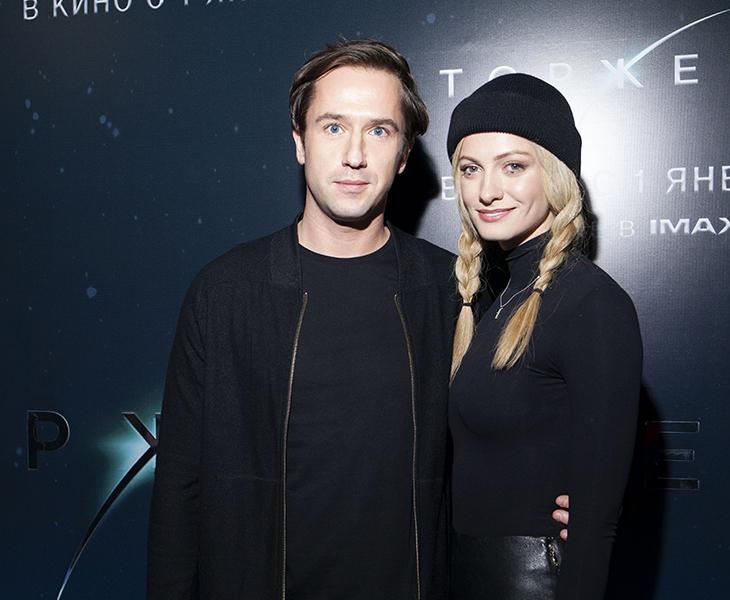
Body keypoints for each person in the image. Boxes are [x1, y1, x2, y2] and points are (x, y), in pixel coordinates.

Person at [147, 39, 572, 600]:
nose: (354, 155)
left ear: (404, 154)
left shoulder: (457, 292)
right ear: (299, 142)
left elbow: (520, 432)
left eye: (378, 130)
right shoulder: (225, 293)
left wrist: (573, 492)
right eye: (333, 127)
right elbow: (180, 487)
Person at [446, 73, 642, 599]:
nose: (487, 190)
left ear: (555, 174)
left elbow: (594, 524)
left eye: (514, 166)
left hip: (535, 583)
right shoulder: (492, 297)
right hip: (466, 577)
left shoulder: (591, 304)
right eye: (470, 168)